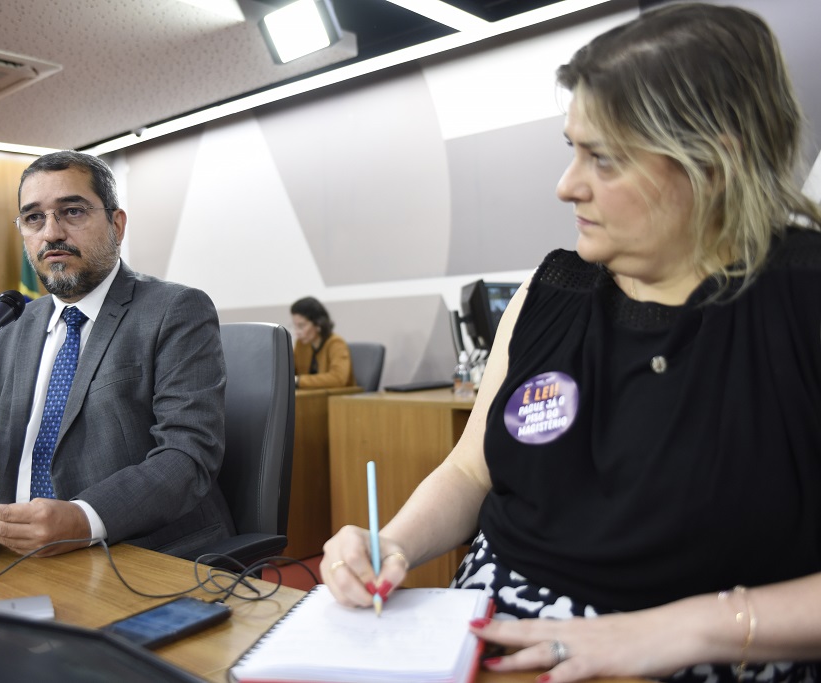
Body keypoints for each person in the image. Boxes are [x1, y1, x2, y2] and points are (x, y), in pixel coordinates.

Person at [321, 4, 821, 682]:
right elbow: (473, 471)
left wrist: (670, 630)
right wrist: (390, 544)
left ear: (713, 162)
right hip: (488, 638)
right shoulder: (550, 294)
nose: (566, 185)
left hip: (691, 656)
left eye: (604, 159)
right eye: (571, 148)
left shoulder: (802, 304)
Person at [0, 151, 235, 558]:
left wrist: (83, 517)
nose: (51, 233)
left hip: (138, 553)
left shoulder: (174, 310)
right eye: (33, 218)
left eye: (72, 211)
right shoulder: (11, 327)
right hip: (20, 556)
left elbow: (187, 455)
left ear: (116, 225)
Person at [290, 296, 356, 389]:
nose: (297, 332)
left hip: (337, 399)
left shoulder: (336, 343)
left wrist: (298, 380)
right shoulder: (301, 344)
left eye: (301, 326)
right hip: (310, 398)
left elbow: (338, 379)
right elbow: (290, 373)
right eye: (295, 326)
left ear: (318, 324)